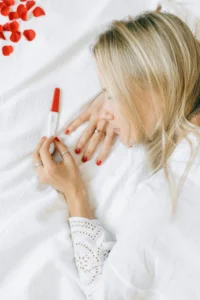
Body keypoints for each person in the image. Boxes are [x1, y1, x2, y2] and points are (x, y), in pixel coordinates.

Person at [32, 9, 200, 300]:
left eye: (110, 92)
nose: (105, 111)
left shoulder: (162, 198)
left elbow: (105, 294)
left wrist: (74, 195)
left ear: (154, 86)